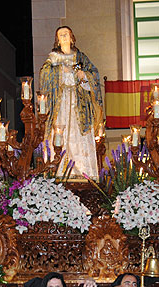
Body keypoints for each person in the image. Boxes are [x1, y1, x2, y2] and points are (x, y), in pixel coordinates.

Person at [39, 26, 103, 179]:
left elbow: (94, 74)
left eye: (66, 34)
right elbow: (44, 74)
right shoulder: (53, 58)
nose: (64, 37)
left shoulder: (80, 57)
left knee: (78, 134)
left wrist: (83, 75)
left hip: (78, 101)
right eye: (61, 35)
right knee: (60, 133)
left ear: (72, 38)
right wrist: (60, 72)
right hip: (60, 103)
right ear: (57, 40)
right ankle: (59, 169)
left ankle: (82, 171)